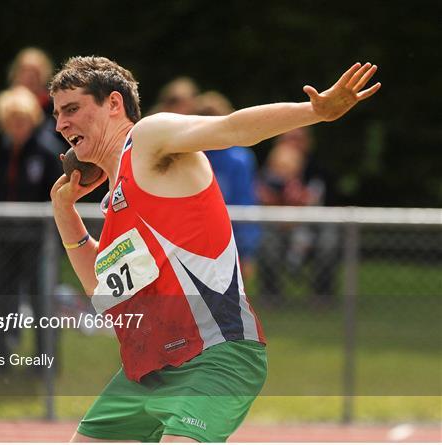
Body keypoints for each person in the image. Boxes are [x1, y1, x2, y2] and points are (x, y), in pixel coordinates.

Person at [49, 57, 380, 442]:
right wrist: (63, 211)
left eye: (72, 108)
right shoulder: (115, 200)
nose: (60, 124)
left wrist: (314, 112)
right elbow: (103, 292)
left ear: (114, 104)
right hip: (147, 370)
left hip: (214, 356)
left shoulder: (148, 138)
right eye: (57, 114)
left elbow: (232, 128)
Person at [0, 86, 63, 374]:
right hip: (5, 238)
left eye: (22, 120)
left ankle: (46, 364)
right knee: (0, 298)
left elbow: (58, 197)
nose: (17, 127)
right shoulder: (2, 152)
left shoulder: (47, 152)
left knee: (41, 299)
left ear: (31, 119)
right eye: (11, 121)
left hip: (38, 240)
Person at [258, 128, 340, 307]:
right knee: (266, 241)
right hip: (277, 226)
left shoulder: (317, 171)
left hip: (310, 225)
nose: (294, 145)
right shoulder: (268, 173)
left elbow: (316, 204)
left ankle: (322, 296)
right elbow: (263, 202)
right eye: (288, 139)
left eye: (298, 140)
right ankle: (271, 296)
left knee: (329, 240)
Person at [197, 91, 262, 290]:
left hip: (228, 235)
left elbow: (245, 202)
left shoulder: (239, 158)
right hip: (203, 235)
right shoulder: (192, 154)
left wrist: (247, 251)